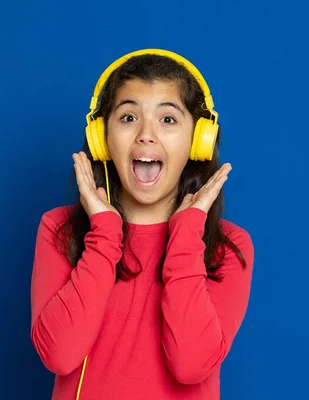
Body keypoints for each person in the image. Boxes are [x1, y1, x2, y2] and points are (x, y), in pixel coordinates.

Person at [30, 48, 254, 400]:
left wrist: (186, 233)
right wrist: (104, 234)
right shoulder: (60, 229)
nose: (146, 135)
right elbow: (59, 354)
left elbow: (191, 365)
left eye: (167, 120)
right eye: (128, 117)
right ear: (101, 139)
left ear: (199, 141)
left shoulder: (228, 247)